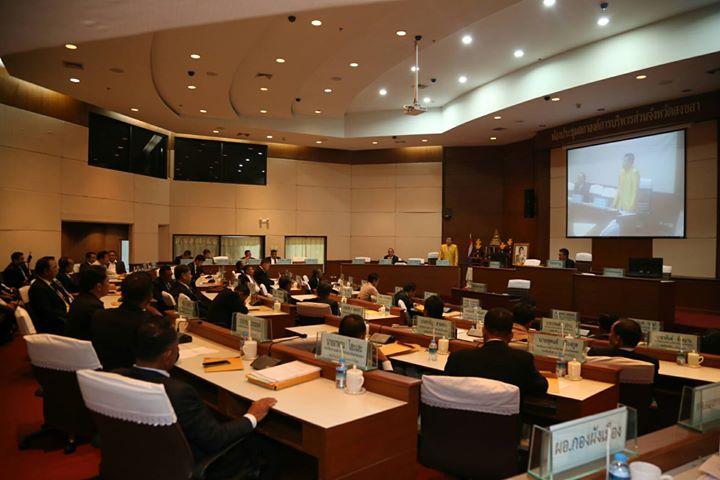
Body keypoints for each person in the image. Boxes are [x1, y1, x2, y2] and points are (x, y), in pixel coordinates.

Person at [118, 319, 277, 479]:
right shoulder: (179, 393)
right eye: (177, 347)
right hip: (188, 463)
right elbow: (215, 439)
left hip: (140, 455)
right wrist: (252, 416)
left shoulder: (119, 377)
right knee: (265, 447)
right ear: (167, 355)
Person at [444, 308, 548, 397]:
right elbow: (541, 387)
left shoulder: (458, 358)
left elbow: (446, 385)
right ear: (511, 336)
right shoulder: (523, 360)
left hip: (466, 413)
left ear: (483, 331)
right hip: (505, 414)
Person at [91, 271, 155, 371]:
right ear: (150, 296)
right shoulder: (150, 324)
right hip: (137, 377)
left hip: (102, 374)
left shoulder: (99, 316)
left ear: (122, 294)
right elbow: (166, 357)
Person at [588, 318, 659, 379]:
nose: (609, 335)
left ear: (617, 339)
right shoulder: (652, 362)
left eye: (611, 333)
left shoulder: (596, 353)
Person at [29, 256, 73, 334]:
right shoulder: (38, 288)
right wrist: (71, 314)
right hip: (57, 324)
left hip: (66, 312)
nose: (58, 269)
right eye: (55, 267)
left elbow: (64, 297)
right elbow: (48, 313)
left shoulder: (52, 282)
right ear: (46, 271)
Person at [65, 266, 108, 340]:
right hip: (85, 345)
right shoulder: (93, 306)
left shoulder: (82, 298)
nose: (109, 285)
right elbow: (102, 334)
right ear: (99, 286)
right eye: (108, 282)